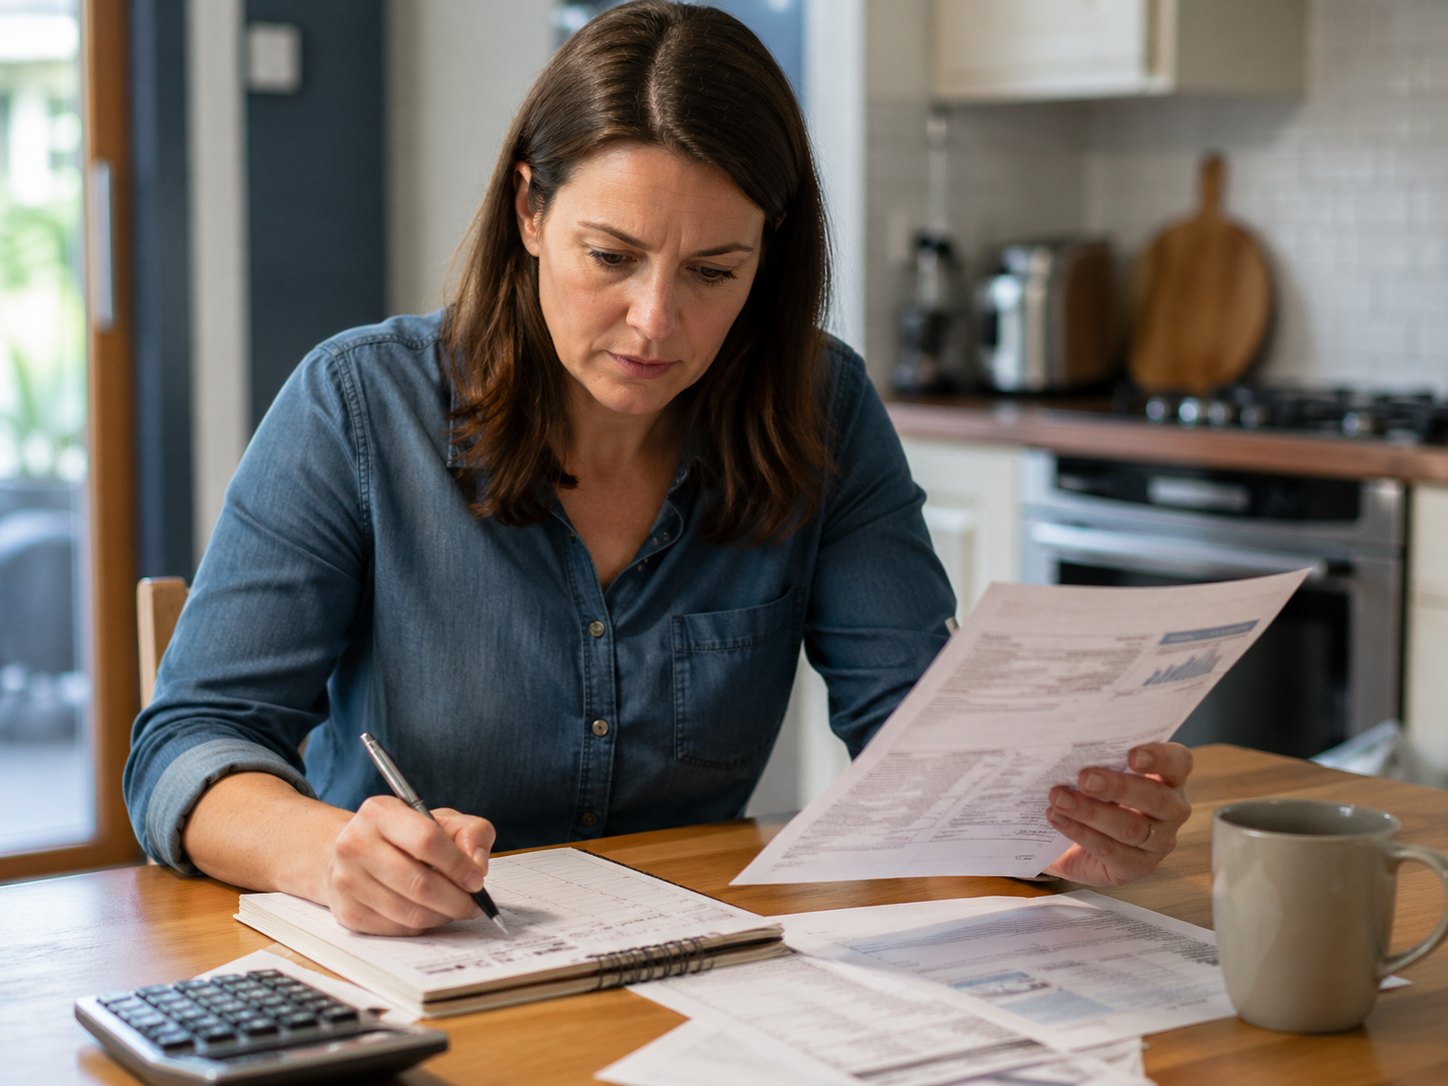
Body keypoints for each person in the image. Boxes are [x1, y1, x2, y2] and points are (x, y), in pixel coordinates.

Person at [125, 0, 1193, 936]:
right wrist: (328, 855)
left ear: (766, 257)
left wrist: (1054, 826)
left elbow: (920, 741)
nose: (655, 321)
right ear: (529, 210)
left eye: (712, 272)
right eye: (611, 256)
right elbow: (187, 747)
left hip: (703, 985)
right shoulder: (359, 406)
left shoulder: (817, 407)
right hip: (414, 978)